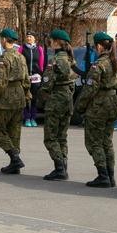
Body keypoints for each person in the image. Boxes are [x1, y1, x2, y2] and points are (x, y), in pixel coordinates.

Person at [75, 33, 117, 188]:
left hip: (99, 107)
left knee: (94, 142)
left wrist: (80, 107)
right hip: (113, 105)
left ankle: (102, 175)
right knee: (107, 141)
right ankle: (110, 175)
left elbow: (90, 89)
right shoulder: (115, 62)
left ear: (99, 47)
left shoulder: (98, 65)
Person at [0, 29, 30, 174]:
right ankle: (14, 163)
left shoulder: (4, 58)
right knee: (14, 130)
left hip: (7, 97)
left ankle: (14, 157)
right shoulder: (21, 56)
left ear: (4, 39)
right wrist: (27, 96)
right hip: (19, 97)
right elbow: (26, 80)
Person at [39, 30, 76, 180]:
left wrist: (40, 102)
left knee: (50, 137)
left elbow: (46, 85)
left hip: (55, 102)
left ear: (55, 43)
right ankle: (63, 166)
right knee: (62, 136)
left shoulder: (54, 61)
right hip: (67, 101)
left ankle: (59, 168)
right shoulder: (70, 60)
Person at [20, 32, 46, 127]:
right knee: (26, 98)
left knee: (34, 98)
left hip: (36, 77)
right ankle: (26, 117)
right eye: (27, 37)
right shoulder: (22, 49)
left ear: (34, 39)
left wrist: (41, 73)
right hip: (25, 77)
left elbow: (41, 63)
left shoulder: (39, 49)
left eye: (30, 37)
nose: (28, 39)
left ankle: (33, 118)